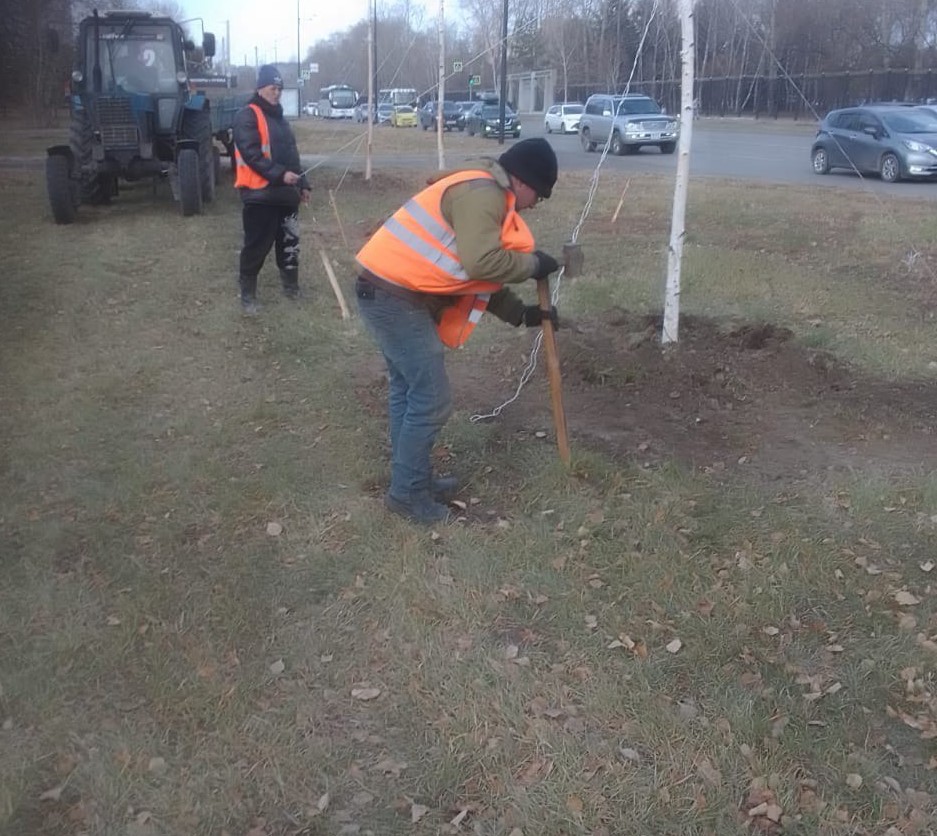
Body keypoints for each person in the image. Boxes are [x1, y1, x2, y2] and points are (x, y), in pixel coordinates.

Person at [355, 137, 562, 524]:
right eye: (540, 196)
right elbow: (483, 262)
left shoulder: (481, 189)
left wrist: (521, 315)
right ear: (524, 182)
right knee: (431, 398)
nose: (535, 206)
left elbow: (470, 275)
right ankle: (406, 494)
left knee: (409, 391)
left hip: (389, 293)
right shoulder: (483, 194)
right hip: (393, 298)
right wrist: (533, 265)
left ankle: (412, 480)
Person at [233, 64, 311, 314]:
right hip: (260, 196)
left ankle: (291, 288)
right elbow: (252, 154)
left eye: (279, 89)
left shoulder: (281, 120)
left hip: (286, 196)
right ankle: (248, 295)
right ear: (260, 88)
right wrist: (280, 175)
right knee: (257, 246)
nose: (276, 93)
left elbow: (292, 156)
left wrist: (302, 182)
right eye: (272, 88)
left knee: (289, 243)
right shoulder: (247, 115)